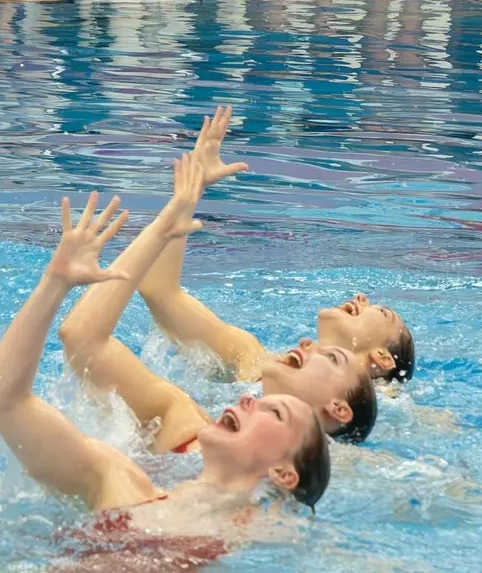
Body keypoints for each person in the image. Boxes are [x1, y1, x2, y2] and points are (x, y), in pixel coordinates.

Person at [0, 173, 332, 536]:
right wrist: (54, 284)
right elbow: (2, 399)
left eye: (275, 410)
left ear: (284, 474)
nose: (248, 397)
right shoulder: (115, 476)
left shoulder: (272, 534)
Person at [59, 153, 375, 453]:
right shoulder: (195, 413)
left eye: (332, 358)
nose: (309, 341)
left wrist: (166, 223)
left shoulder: (207, 435)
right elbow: (159, 294)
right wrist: (182, 203)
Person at [139, 109, 413, 395]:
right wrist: (188, 195)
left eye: (382, 313)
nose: (362, 298)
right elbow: (158, 291)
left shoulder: (385, 404)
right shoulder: (251, 357)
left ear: (381, 358)